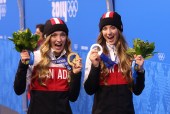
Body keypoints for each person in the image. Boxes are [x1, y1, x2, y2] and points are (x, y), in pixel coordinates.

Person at [14, 17, 82, 114]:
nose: (59, 39)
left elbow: (73, 97)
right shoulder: (35, 58)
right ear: (47, 38)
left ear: (66, 38)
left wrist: (76, 74)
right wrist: (22, 65)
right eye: (54, 35)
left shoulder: (71, 60)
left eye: (62, 35)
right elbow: (18, 90)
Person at [84, 11, 145, 114]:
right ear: (101, 32)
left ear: (119, 29)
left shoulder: (130, 54)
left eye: (112, 27)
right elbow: (89, 90)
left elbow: (137, 90)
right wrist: (95, 66)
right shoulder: (95, 54)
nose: (109, 32)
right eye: (105, 28)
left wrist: (140, 70)